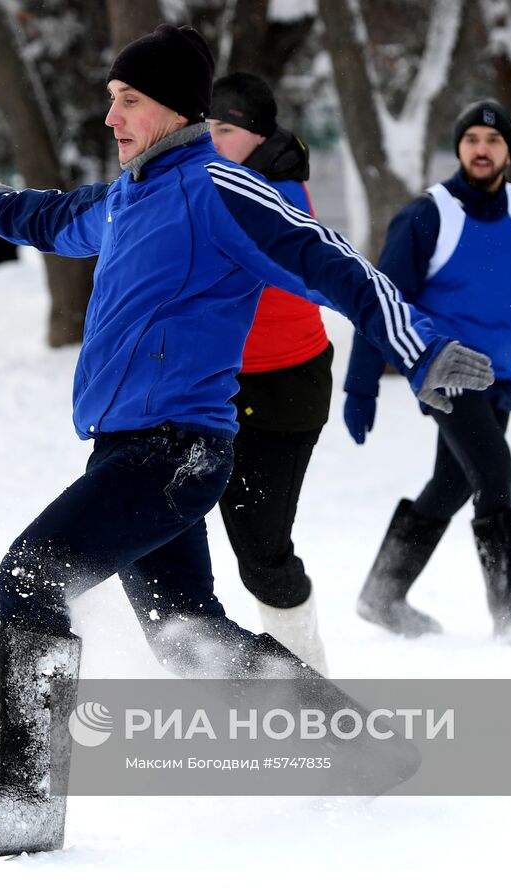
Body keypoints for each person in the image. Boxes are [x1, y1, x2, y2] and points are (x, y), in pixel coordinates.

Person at [0, 25, 493, 860]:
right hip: (128, 449)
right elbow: (57, 218)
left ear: (173, 109)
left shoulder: (219, 189)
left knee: (32, 573)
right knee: (185, 634)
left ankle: (29, 799)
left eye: (128, 101)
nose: (111, 117)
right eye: (109, 101)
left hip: (178, 450)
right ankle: (359, 746)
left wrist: (418, 347)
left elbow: (330, 259)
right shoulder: (127, 196)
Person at [342, 99, 511, 647]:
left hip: (498, 377)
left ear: (508, 152)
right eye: (471, 140)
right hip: (440, 367)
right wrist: (361, 381)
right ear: (459, 149)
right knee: (494, 466)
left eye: (493, 141)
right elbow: (381, 298)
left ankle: (383, 593)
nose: (482, 149)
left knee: (453, 482)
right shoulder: (428, 214)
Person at [206, 72, 333, 673]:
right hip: (220, 384)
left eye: (224, 129)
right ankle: (190, 660)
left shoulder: (269, 192)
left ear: (257, 135)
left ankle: (311, 680)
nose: (210, 140)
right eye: (203, 127)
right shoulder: (221, 180)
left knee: (261, 554)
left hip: (284, 388)